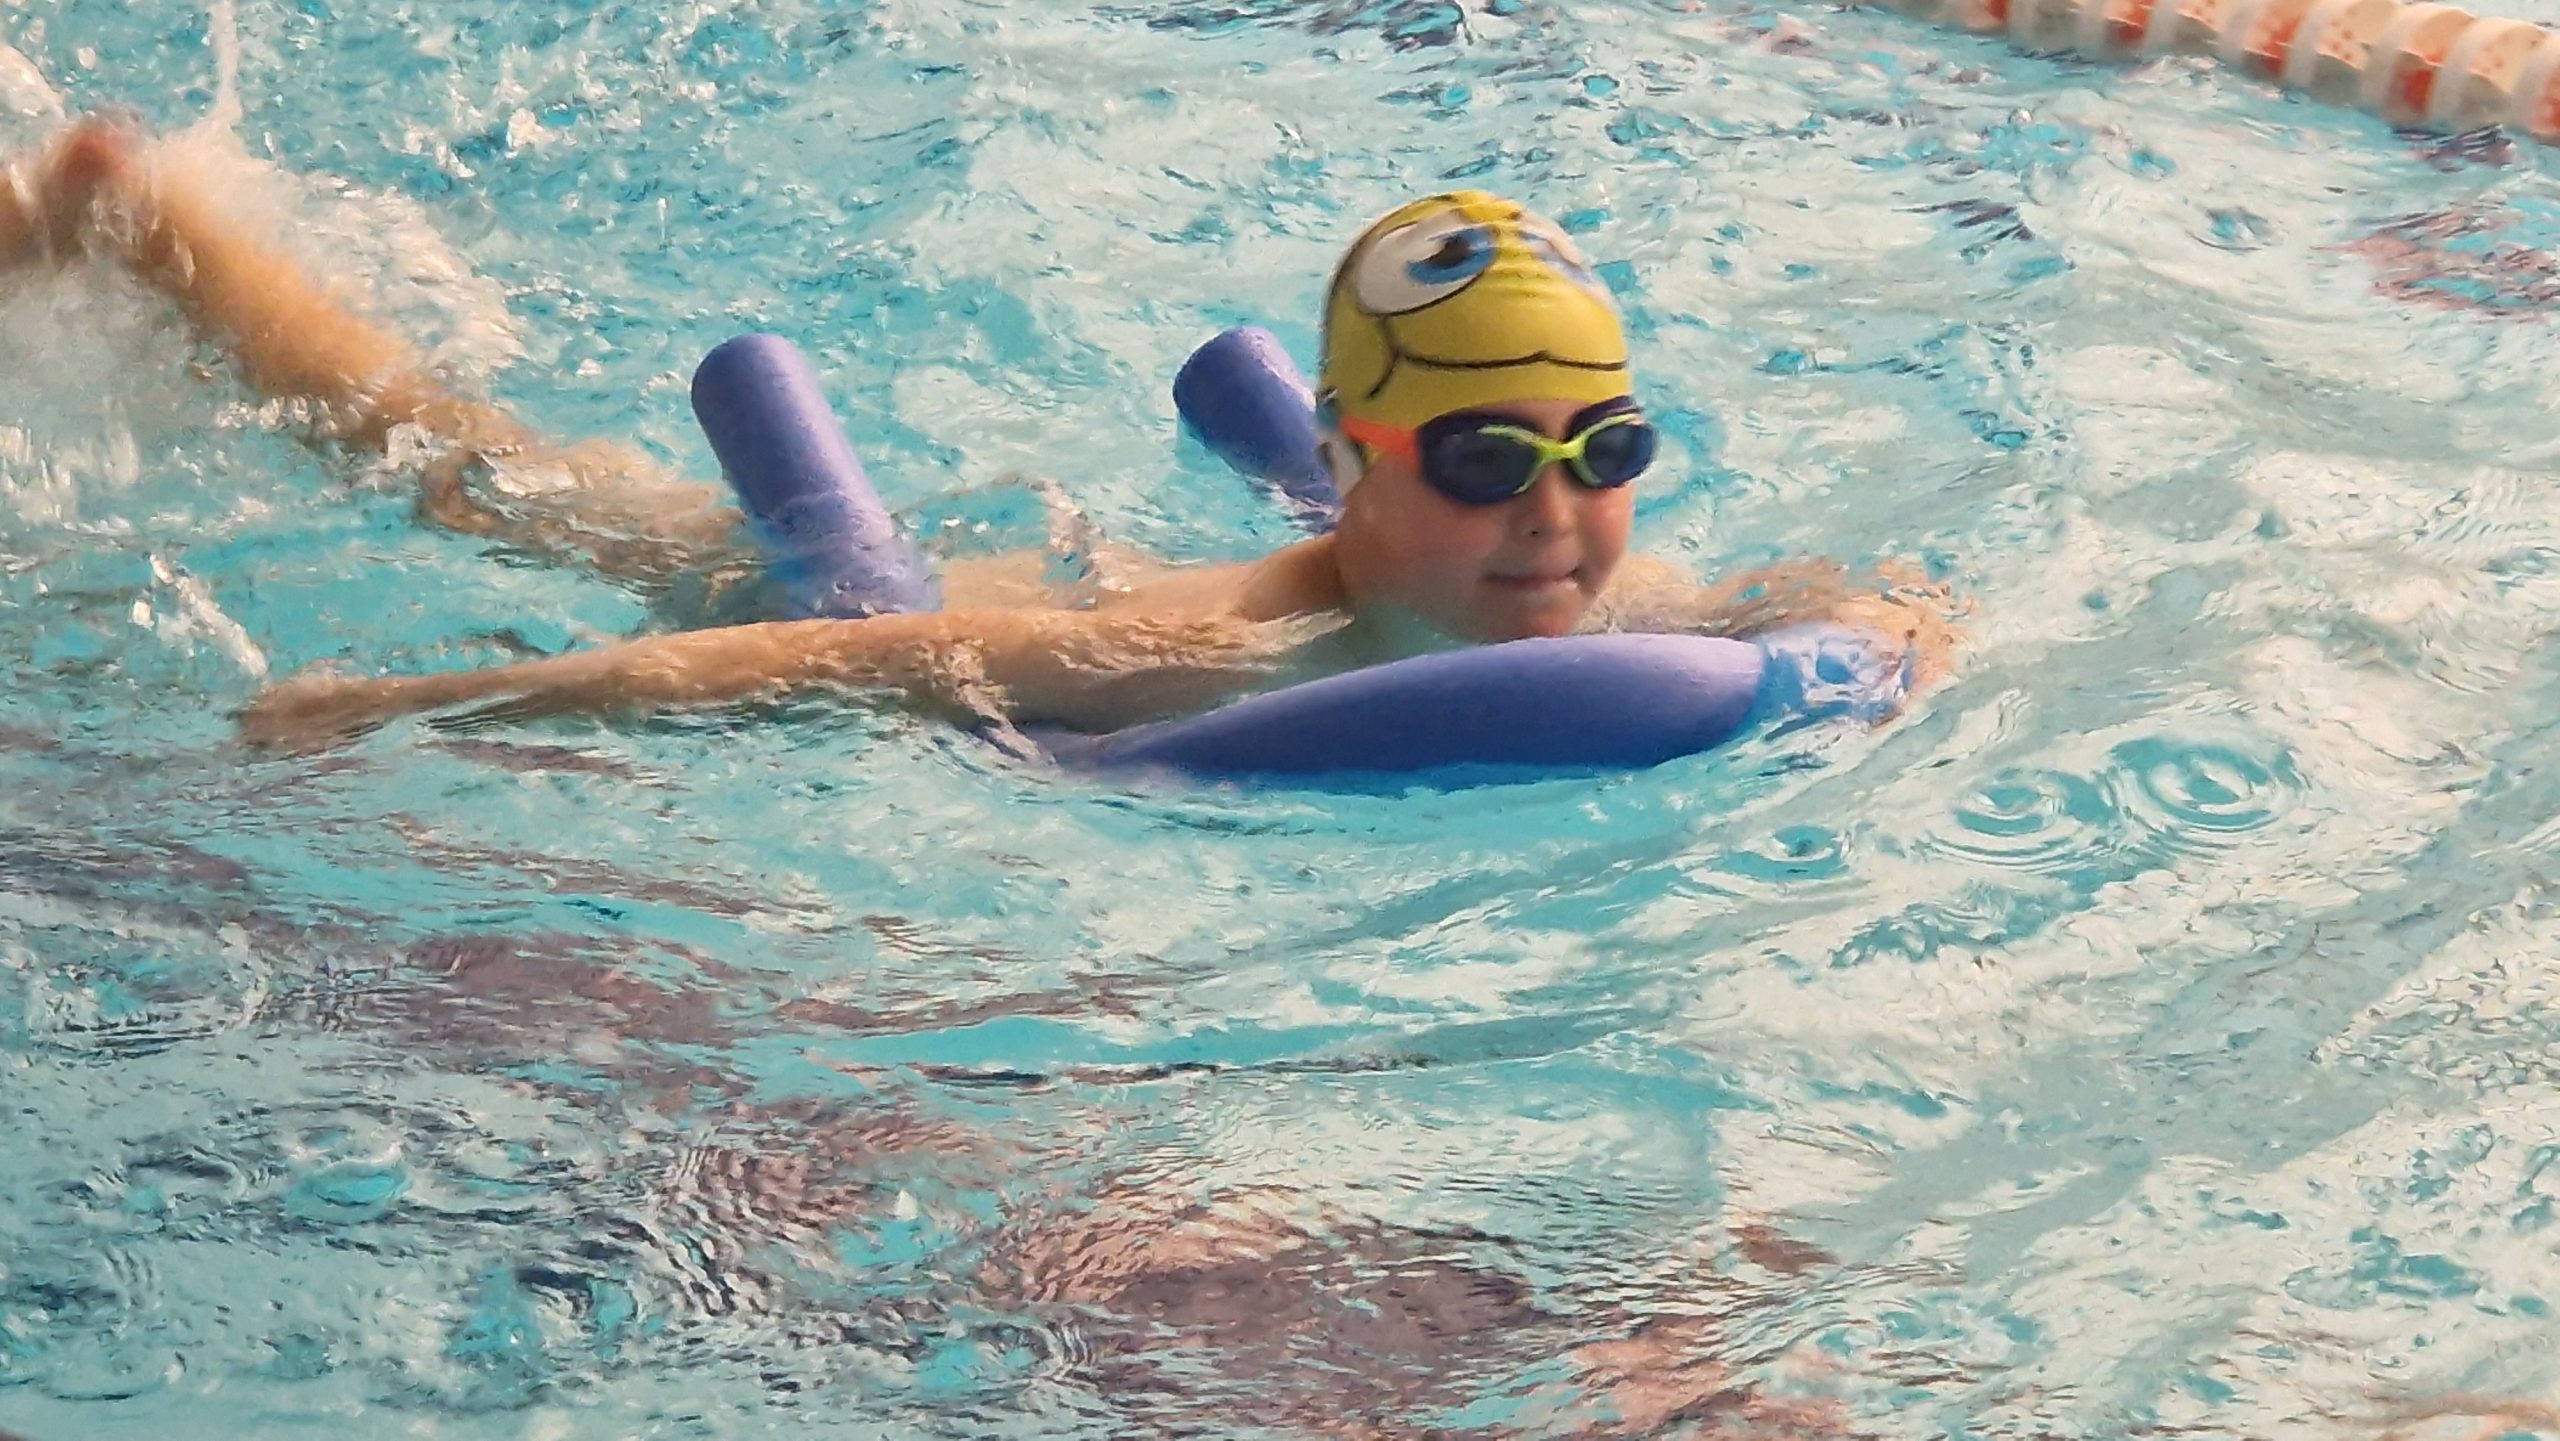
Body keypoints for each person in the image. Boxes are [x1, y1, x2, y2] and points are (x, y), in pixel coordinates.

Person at [0, 119, 1961, 747]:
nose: (1557, 516)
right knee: (466, 473)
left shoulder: (1615, 600)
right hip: (891, 603)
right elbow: (806, 668)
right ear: (1355, 459)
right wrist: (415, 707)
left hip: (1099, 566)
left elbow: (1850, 593)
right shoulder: (1216, 653)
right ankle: (150, 224)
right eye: (1481, 459)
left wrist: (1892, 635)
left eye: (1602, 450)